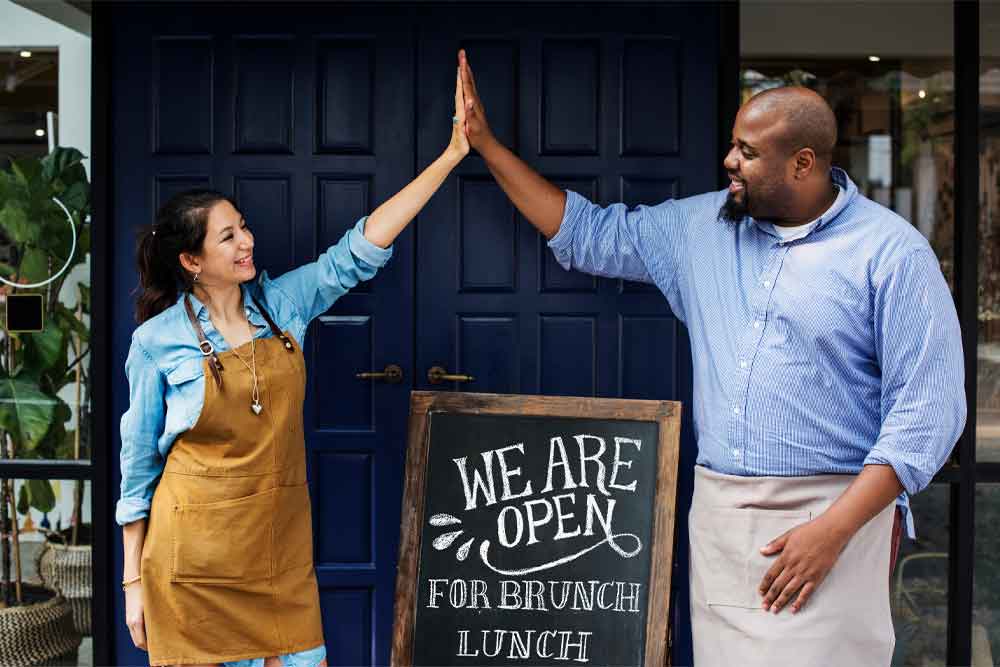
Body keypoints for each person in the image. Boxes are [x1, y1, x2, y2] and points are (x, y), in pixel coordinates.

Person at [456, 49, 965, 665]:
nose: (729, 160)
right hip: (722, 517)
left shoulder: (891, 255)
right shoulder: (700, 229)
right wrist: (484, 144)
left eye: (748, 152)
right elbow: (586, 234)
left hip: (836, 519)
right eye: (733, 144)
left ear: (803, 164)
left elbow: (928, 415)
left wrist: (834, 531)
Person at [116, 68, 470, 666]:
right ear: (191, 261)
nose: (245, 241)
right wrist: (132, 586)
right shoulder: (156, 342)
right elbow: (138, 471)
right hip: (191, 566)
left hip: (277, 551)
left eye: (244, 227)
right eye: (227, 237)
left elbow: (358, 252)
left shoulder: (281, 307)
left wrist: (453, 155)